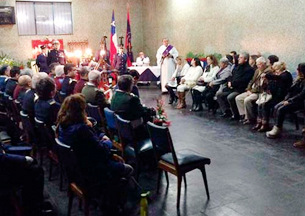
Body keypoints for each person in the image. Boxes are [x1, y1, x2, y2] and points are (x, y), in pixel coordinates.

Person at [56, 94, 133, 210]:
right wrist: (108, 141)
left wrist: (99, 134)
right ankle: (114, 203)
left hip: (78, 170)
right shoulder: (82, 129)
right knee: (128, 169)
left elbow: (94, 137)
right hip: (93, 170)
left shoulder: (63, 126)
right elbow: (102, 151)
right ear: (80, 111)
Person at [266, 63, 305, 138]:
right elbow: (290, 91)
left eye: (298, 69)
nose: (297, 71)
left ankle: (277, 128)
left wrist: (289, 101)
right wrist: (286, 99)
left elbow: (302, 95)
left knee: (281, 109)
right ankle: (277, 126)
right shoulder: (298, 80)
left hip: (300, 102)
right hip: (293, 99)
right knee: (276, 107)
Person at [253, 61, 292, 132]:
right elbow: (271, 86)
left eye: (276, 70)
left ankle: (265, 124)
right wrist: (265, 84)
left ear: (280, 69)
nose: (275, 72)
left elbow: (279, 78)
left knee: (265, 104)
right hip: (274, 95)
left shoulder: (286, 75)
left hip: (282, 96)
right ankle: (260, 122)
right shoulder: (276, 75)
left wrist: (267, 76)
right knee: (260, 104)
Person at [216, 52, 255, 120]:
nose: (239, 59)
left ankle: (236, 114)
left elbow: (244, 80)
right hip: (232, 87)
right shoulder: (237, 67)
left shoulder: (249, 69)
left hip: (240, 89)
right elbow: (231, 76)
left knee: (230, 97)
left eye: (241, 58)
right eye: (239, 57)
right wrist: (229, 82)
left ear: (246, 59)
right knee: (219, 94)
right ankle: (226, 111)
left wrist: (232, 84)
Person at [235, 57, 272, 124]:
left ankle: (250, 118)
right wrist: (248, 89)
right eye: (257, 64)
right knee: (238, 98)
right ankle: (243, 115)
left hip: (259, 92)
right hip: (252, 90)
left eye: (259, 64)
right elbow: (252, 81)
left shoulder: (268, 72)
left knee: (247, 100)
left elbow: (261, 86)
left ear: (264, 64)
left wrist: (252, 91)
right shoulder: (257, 70)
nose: (258, 66)